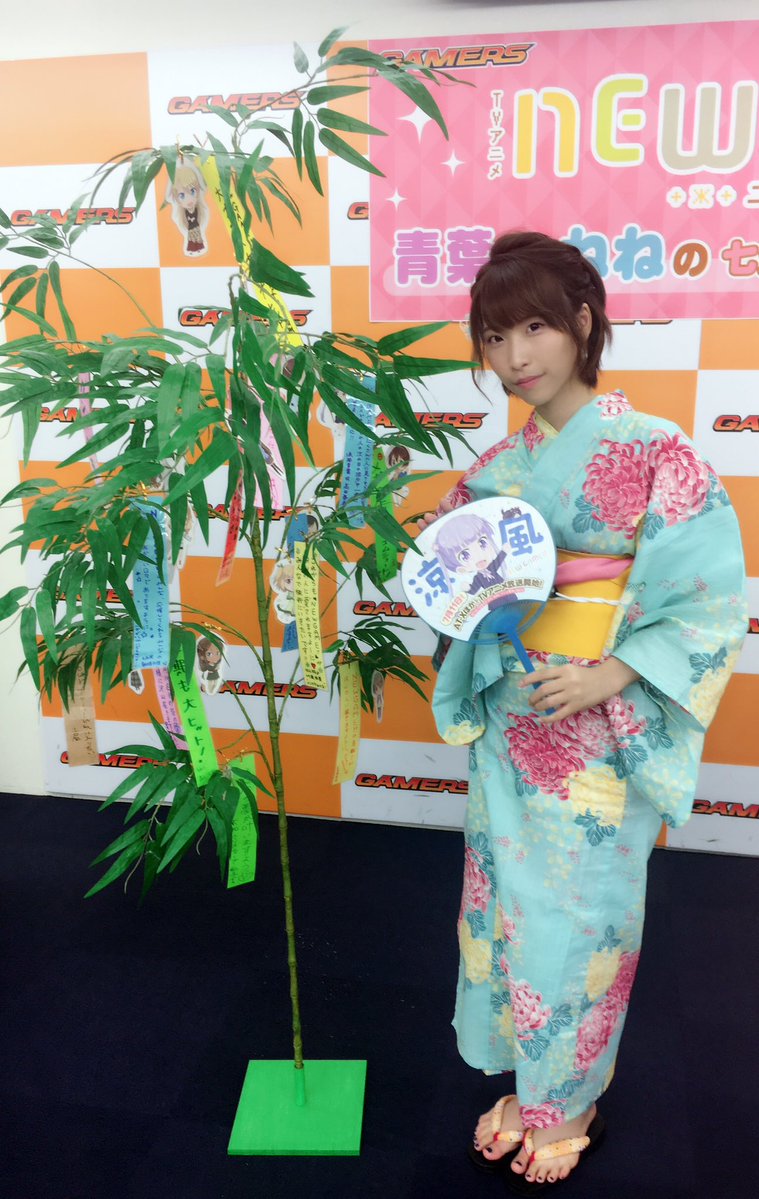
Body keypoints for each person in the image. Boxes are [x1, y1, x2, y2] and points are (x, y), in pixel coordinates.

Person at [418, 231, 747, 1193]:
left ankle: (569, 1102)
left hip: (602, 726)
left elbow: (706, 597)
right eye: (493, 337)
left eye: (533, 327)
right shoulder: (497, 468)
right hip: (515, 716)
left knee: (580, 914)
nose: (513, 355)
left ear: (582, 322)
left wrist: (612, 674)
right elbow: (460, 589)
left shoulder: (656, 452)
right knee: (507, 905)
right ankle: (528, 1084)